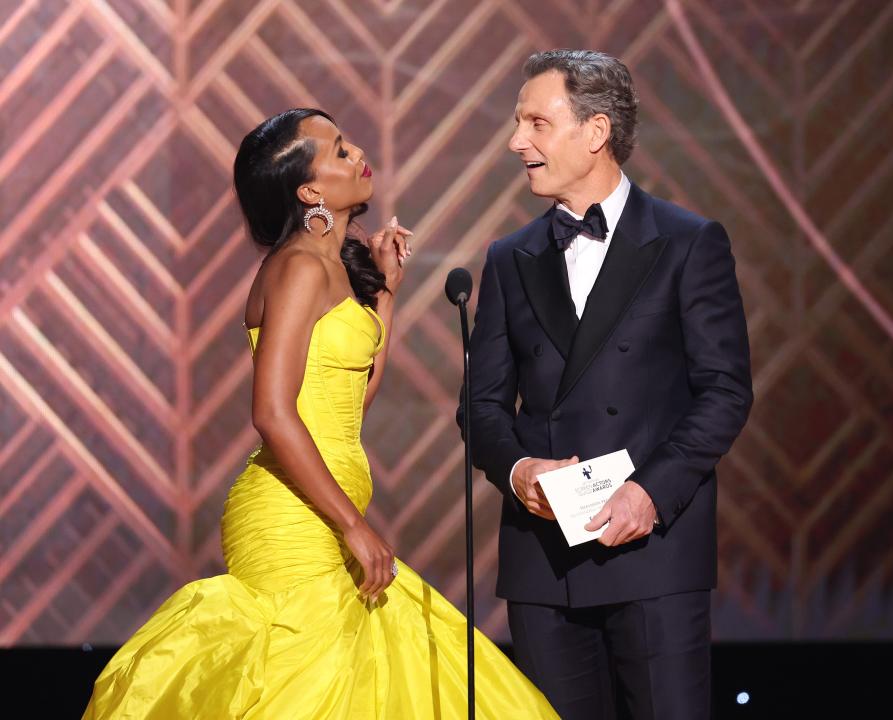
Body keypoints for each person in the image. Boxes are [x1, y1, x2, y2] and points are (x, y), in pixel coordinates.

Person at [83, 108, 559, 719]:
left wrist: (385, 291)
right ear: (310, 191)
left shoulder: (327, 265)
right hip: (291, 519)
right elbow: (273, 413)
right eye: (338, 150)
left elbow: (351, 398)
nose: (356, 151)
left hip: (328, 509)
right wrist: (354, 526)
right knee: (307, 689)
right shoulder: (300, 266)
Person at [460, 50, 753, 719]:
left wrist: (651, 491)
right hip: (542, 565)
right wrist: (518, 469)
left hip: (653, 553)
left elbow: (725, 390)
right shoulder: (510, 258)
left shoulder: (688, 242)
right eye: (517, 122)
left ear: (594, 133)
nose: (516, 141)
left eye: (536, 121)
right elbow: (479, 407)